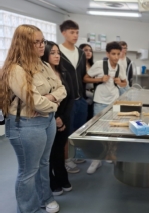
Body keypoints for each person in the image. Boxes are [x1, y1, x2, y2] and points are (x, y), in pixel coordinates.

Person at [1, 25, 66, 213]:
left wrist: (49, 99)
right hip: (26, 126)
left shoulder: (43, 65)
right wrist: (51, 103)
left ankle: (45, 198)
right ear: (23, 44)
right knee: (28, 171)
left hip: (47, 121)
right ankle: (27, 209)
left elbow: (62, 89)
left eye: (42, 41)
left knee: (44, 163)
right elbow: (35, 102)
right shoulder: (16, 70)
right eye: (35, 42)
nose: (41, 46)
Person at [83, 41, 127, 174]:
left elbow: (125, 83)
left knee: (113, 130)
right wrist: (100, 79)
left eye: (118, 54)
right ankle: (96, 160)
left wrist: (121, 82)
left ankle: (109, 154)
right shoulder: (99, 65)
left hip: (114, 102)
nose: (115, 57)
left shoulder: (121, 67)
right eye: (113, 54)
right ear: (107, 54)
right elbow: (85, 78)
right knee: (98, 131)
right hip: (100, 102)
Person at [41, 41, 74, 196]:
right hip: (48, 119)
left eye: (58, 52)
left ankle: (62, 178)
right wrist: (56, 118)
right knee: (47, 154)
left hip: (64, 118)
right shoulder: (40, 76)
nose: (57, 56)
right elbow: (42, 100)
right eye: (52, 52)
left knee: (59, 151)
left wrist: (63, 118)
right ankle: (52, 182)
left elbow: (69, 96)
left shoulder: (64, 72)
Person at [59, 20, 87, 173]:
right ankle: (66, 159)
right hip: (66, 102)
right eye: (71, 32)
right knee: (66, 132)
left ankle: (74, 155)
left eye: (77, 32)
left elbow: (83, 75)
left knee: (78, 130)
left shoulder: (81, 53)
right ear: (63, 33)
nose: (75, 35)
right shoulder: (57, 52)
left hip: (80, 99)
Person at [79, 43, 94, 120]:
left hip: (93, 95)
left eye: (90, 51)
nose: (88, 52)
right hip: (84, 95)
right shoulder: (79, 66)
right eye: (86, 50)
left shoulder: (93, 65)